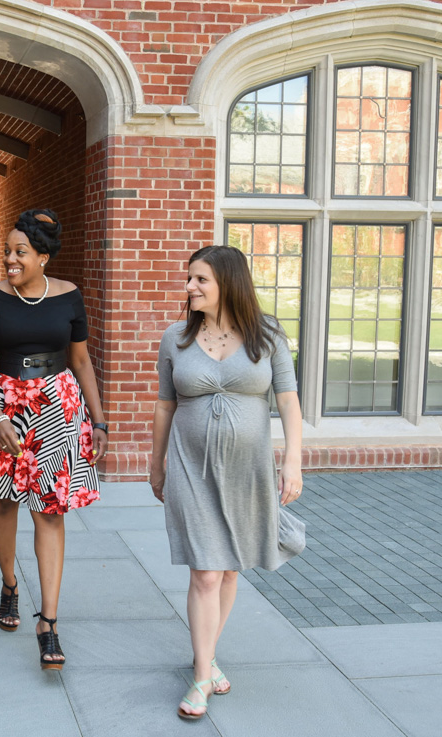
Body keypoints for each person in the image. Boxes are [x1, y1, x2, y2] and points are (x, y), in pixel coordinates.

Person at [149, 245, 305, 720]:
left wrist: (292, 461)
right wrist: (155, 464)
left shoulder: (268, 334)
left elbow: (289, 402)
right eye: (190, 278)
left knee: (231, 568)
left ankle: (207, 655)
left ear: (228, 284)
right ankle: (201, 676)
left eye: (200, 280)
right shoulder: (175, 337)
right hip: (190, 466)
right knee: (206, 571)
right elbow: (163, 406)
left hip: (247, 470)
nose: (190, 287)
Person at [0, 209, 108, 671]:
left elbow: (80, 361)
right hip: (3, 402)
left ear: (43, 255)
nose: (10, 260)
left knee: (50, 510)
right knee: (4, 502)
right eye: (7, 251)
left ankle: (49, 622)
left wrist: (99, 422)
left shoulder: (70, 297)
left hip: (57, 407)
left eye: (20, 252)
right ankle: (9, 585)